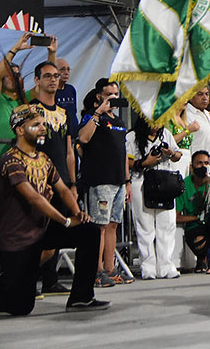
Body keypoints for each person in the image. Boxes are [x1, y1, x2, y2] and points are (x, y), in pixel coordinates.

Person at [0, 104, 108, 315]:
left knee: (88, 231)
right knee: (20, 306)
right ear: (19, 129)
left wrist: (77, 213)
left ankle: (81, 297)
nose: (43, 128)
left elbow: (63, 190)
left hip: (41, 233)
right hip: (18, 241)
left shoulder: (43, 159)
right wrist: (65, 221)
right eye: (36, 125)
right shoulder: (11, 160)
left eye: (43, 124)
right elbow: (34, 198)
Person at [77, 78, 132, 287]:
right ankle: (96, 270)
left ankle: (110, 268)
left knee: (112, 225)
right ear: (99, 96)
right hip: (100, 181)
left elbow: (124, 153)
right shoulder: (92, 118)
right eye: (109, 95)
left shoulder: (119, 122)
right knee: (98, 227)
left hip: (118, 181)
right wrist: (99, 112)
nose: (114, 99)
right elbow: (82, 138)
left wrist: (127, 181)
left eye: (116, 95)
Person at [29, 60, 77, 296]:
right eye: (47, 76)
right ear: (36, 80)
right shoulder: (30, 111)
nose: (53, 79)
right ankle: (27, 278)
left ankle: (50, 278)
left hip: (61, 180)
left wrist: (72, 182)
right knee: (37, 231)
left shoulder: (63, 113)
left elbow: (69, 151)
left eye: (56, 76)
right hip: (38, 180)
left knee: (57, 228)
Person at [0, 32, 56, 169]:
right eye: (9, 74)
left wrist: (52, 54)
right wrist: (15, 49)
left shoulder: (25, 99)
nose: (14, 77)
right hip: (2, 159)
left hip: (26, 158)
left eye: (17, 74)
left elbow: (46, 82)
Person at [126, 117, 182, 279]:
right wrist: (145, 161)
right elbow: (127, 162)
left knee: (167, 223)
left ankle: (166, 265)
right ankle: (148, 266)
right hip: (141, 181)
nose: (156, 127)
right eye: (152, 123)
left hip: (164, 180)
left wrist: (170, 153)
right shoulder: (132, 136)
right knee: (145, 225)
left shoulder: (166, 134)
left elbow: (177, 155)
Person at [175, 150, 210, 274]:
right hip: (194, 224)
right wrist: (196, 218)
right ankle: (201, 259)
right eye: (199, 163)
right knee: (198, 241)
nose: (203, 166)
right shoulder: (184, 185)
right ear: (191, 167)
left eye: (206, 163)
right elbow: (176, 217)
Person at [54, 58, 78, 143]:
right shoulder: (51, 92)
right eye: (62, 69)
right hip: (58, 138)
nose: (66, 73)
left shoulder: (71, 89)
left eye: (68, 69)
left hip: (73, 136)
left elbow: (73, 112)